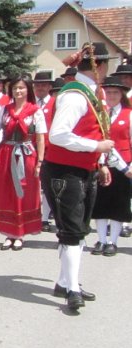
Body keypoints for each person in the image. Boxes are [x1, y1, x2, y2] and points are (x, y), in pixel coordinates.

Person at [42, 42, 115, 311]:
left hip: (83, 169)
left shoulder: (92, 93)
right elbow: (58, 135)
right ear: (101, 66)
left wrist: (100, 162)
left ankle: (65, 281)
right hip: (65, 170)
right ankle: (72, 288)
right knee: (73, 231)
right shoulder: (75, 95)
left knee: (76, 229)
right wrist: (96, 148)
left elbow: (96, 132)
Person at [0, 77, 46, 250]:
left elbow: (40, 139)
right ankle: (9, 233)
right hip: (6, 155)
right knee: (5, 193)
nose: (18, 91)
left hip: (26, 154)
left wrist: (40, 162)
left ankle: (20, 232)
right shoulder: (5, 110)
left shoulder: (35, 111)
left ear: (28, 90)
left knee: (23, 192)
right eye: (15, 88)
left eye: (21, 88)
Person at [91, 76, 132, 256]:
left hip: (123, 165)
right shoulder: (99, 114)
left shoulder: (128, 114)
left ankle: (112, 242)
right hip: (101, 164)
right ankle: (101, 239)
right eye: (109, 92)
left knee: (118, 204)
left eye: (115, 92)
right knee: (100, 204)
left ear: (121, 94)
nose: (112, 96)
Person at [33, 71, 56, 232]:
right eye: (37, 85)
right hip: (29, 148)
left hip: (50, 149)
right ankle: (32, 215)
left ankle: (45, 217)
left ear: (49, 87)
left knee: (47, 185)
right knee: (32, 184)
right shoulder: (30, 104)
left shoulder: (56, 103)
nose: (40, 88)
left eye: (43, 85)